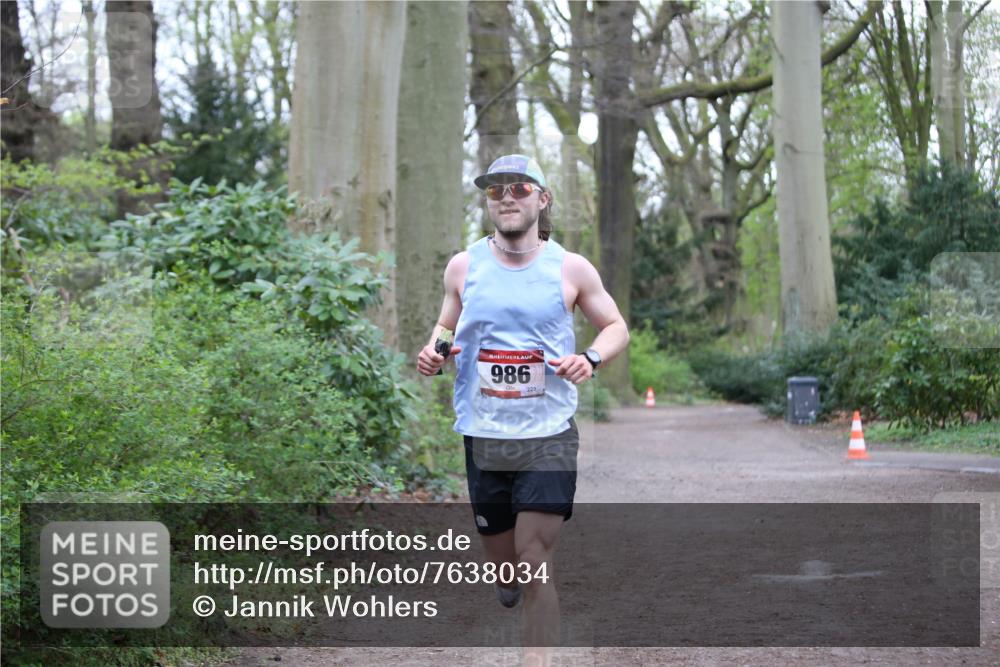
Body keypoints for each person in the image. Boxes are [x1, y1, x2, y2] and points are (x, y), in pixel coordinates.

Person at [416, 154, 629, 667]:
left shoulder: (571, 267)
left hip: (548, 434)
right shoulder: (463, 266)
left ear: (542, 198)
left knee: (535, 562)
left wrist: (589, 358)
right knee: (508, 569)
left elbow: (616, 326)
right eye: (495, 191)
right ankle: (504, 581)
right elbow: (447, 327)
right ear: (488, 202)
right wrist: (434, 352)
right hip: (484, 432)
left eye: (518, 188)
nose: (506, 197)